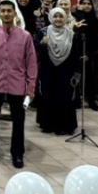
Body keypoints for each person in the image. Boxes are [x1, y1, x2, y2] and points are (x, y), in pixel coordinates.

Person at [0, 0, 36, 169]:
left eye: (9, 11)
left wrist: (30, 87)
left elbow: (31, 63)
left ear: (15, 13)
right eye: (3, 11)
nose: (6, 14)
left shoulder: (25, 36)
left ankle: (17, 153)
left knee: (18, 120)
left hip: (17, 84)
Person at [35, 8, 82, 136]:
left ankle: (63, 126)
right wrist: (43, 43)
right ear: (51, 18)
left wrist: (77, 73)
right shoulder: (43, 32)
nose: (58, 19)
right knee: (48, 95)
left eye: (61, 16)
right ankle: (48, 124)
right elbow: (38, 52)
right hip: (48, 69)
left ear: (65, 18)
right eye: (55, 16)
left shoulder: (71, 34)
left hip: (65, 70)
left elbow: (75, 55)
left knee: (64, 96)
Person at [73, 0, 98, 112]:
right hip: (75, 52)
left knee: (89, 77)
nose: (86, 6)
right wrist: (79, 13)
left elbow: (97, 41)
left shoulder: (94, 20)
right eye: (84, 3)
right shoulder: (75, 17)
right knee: (75, 76)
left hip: (89, 53)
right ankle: (76, 100)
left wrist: (89, 55)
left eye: (89, 4)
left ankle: (91, 100)